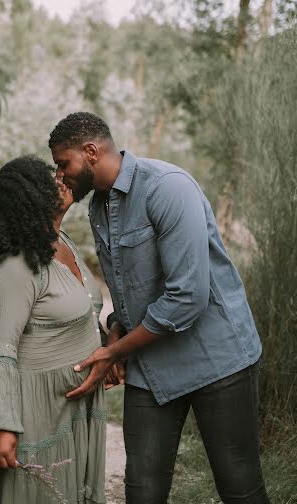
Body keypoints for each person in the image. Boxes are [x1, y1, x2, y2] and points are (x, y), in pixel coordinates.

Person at [49, 112, 271, 504]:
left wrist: (115, 351)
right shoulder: (98, 208)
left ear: (91, 152)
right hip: (151, 368)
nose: (61, 176)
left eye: (63, 164)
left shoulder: (167, 188)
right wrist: (117, 327)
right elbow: (129, 289)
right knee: (142, 490)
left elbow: (187, 297)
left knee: (239, 486)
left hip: (216, 361)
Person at [0, 155, 106, 504]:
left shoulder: (63, 242)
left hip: (68, 406)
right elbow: (3, 347)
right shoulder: (18, 265)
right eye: (48, 181)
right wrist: (2, 425)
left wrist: (105, 354)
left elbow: (77, 314)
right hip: (31, 410)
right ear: (30, 198)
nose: (61, 180)